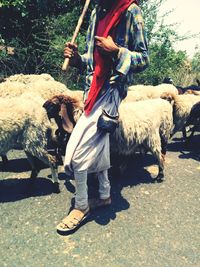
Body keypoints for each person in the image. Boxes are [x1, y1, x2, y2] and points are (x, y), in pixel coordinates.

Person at [56, 0, 149, 233]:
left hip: (110, 91)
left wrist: (117, 51)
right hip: (91, 91)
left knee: (75, 155)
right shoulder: (98, 11)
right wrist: (77, 59)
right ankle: (105, 195)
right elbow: (92, 60)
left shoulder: (131, 11)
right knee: (98, 147)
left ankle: (81, 206)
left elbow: (144, 58)